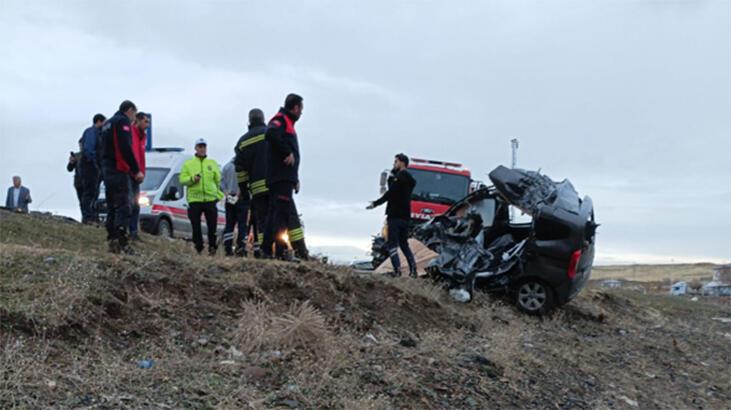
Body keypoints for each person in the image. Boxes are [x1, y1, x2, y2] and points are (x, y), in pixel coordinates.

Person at [261, 94, 308, 260]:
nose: (301, 113)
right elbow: (271, 133)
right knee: (281, 214)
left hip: (285, 177)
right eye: (301, 109)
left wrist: (294, 178)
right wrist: (286, 152)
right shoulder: (280, 120)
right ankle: (280, 252)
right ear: (295, 107)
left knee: (275, 212)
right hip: (280, 177)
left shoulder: (288, 123)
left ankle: (266, 250)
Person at [100, 101, 143, 254]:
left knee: (112, 206)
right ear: (130, 110)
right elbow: (125, 146)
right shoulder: (122, 121)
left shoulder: (107, 124)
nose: (133, 120)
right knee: (124, 206)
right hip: (118, 168)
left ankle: (111, 239)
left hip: (107, 169)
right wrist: (135, 169)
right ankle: (121, 242)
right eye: (134, 115)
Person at [367, 153, 418, 277]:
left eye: (395, 162)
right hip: (406, 216)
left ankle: (397, 270)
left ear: (401, 163)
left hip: (394, 215)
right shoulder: (410, 180)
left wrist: (375, 204)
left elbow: (390, 194)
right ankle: (413, 270)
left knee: (392, 245)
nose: (393, 164)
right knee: (404, 244)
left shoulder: (399, 178)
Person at [234, 108, 269, 257]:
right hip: (275, 185)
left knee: (261, 222)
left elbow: (240, 171)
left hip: (256, 189)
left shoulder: (242, 142)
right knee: (276, 219)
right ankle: (279, 250)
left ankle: (263, 251)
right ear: (263, 119)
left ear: (249, 121)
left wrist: (245, 192)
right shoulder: (271, 133)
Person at [179, 138, 224, 255]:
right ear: (195, 148)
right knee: (196, 226)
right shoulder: (188, 164)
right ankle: (198, 248)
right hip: (195, 200)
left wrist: (218, 195)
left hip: (210, 200)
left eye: (204, 146)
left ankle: (212, 249)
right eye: (200, 146)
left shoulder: (212, 163)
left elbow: (219, 181)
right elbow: (182, 180)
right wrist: (192, 179)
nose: (202, 149)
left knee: (212, 226)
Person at [79, 113, 106, 223]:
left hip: (95, 166)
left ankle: (92, 215)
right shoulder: (91, 132)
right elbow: (89, 150)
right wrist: (96, 164)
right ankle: (88, 216)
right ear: (99, 121)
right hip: (90, 166)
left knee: (94, 191)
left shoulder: (98, 133)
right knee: (90, 191)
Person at [221, 158, 249, 256]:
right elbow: (245, 182)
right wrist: (238, 195)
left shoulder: (226, 167)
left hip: (229, 197)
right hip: (241, 198)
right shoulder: (244, 166)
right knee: (242, 225)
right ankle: (240, 249)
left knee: (229, 224)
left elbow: (221, 183)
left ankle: (228, 249)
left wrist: (227, 194)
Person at [129, 112, 149, 241]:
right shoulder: (131, 134)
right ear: (138, 121)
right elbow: (132, 155)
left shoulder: (143, 136)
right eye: (146, 121)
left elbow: (141, 156)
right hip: (131, 173)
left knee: (136, 204)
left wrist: (142, 172)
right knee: (129, 203)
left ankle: (134, 231)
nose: (148, 124)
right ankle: (128, 231)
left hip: (138, 174)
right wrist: (135, 171)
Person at [66, 143, 83, 216]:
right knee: (82, 201)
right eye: (80, 145)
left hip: (90, 181)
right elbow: (69, 169)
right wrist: (71, 162)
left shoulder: (94, 154)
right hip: (79, 182)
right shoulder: (76, 156)